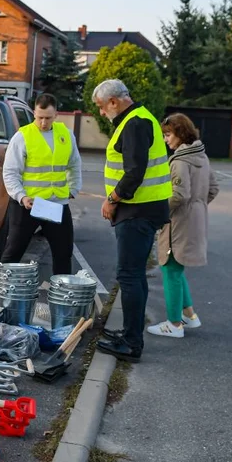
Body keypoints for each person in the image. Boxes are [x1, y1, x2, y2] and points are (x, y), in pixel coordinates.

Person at [93, 80, 171, 363]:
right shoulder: (138, 119)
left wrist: (112, 199)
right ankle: (129, 333)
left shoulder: (135, 122)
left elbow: (134, 172)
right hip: (142, 209)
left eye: (102, 107)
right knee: (135, 275)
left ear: (114, 101)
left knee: (129, 275)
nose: (101, 113)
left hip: (137, 210)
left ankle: (131, 342)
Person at [147, 113, 219, 338]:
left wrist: (159, 214)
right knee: (177, 267)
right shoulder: (201, 156)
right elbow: (213, 188)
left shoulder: (179, 161)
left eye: (168, 135)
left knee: (170, 268)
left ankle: (174, 324)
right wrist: (198, 206)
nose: (166, 139)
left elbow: (178, 194)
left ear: (180, 133)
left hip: (178, 222)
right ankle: (189, 315)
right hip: (195, 219)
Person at [0, 93, 82, 275]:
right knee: (13, 253)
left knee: (63, 254)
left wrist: (74, 188)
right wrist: (21, 196)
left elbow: (74, 164)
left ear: (56, 115)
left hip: (55, 204)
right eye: (39, 118)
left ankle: (60, 300)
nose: (43, 122)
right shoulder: (22, 136)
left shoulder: (66, 135)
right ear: (34, 113)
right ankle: (0, 298)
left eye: (48, 118)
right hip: (28, 206)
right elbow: (10, 172)